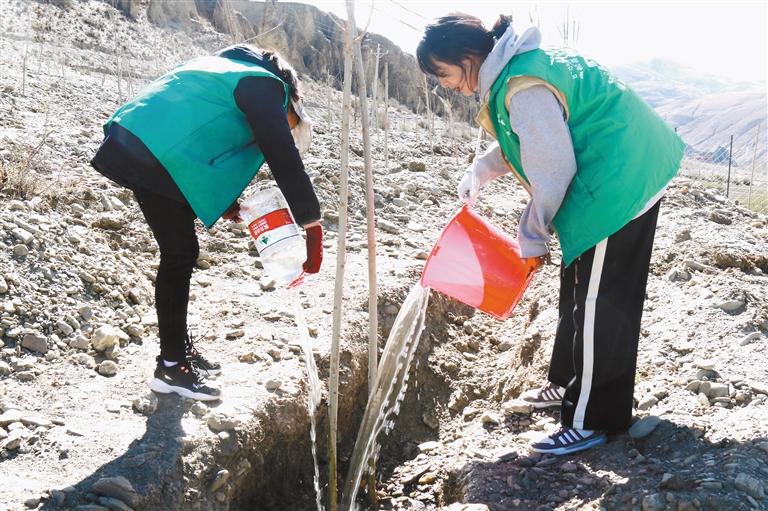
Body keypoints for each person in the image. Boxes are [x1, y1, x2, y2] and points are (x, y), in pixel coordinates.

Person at [417, 14, 683, 455]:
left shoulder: (522, 84)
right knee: (578, 282)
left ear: (466, 57)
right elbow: (531, 137)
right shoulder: (519, 69)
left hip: (619, 182)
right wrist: (480, 170)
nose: (446, 86)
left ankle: (594, 419)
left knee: (600, 301)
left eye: (443, 74)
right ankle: (565, 382)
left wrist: (532, 236)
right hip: (618, 168)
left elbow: (554, 169)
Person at [91, 45, 324, 401]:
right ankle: (171, 368)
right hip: (153, 153)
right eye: (291, 121)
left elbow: (197, 134)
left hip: (138, 142)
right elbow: (283, 156)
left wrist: (226, 201)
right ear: (291, 98)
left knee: (180, 251)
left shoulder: (221, 71)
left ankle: (178, 351)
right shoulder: (266, 86)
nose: (286, 127)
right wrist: (312, 225)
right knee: (180, 254)